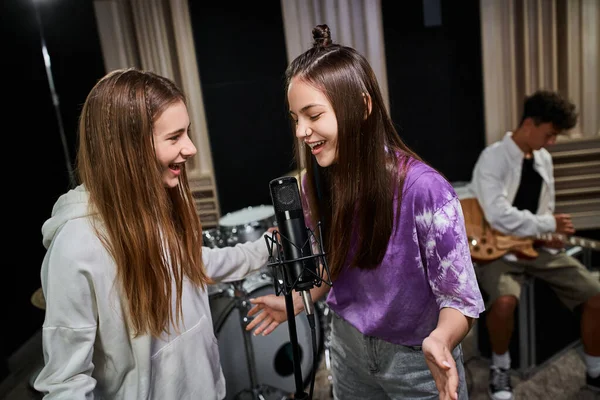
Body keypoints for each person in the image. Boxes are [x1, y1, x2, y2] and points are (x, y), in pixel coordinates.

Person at [245, 24, 484, 400]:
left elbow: (461, 298)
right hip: (347, 347)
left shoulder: (425, 190)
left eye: (313, 115)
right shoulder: (315, 184)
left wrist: (441, 339)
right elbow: (334, 264)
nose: (301, 132)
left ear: (362, 106)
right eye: (296, 119)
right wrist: (299, 300)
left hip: (414, 359)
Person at [33, 68, 272, 399]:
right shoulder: (75, 245)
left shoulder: (154, 209)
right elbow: (66, 383)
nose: (190, 149)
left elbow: (192, 265)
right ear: (126, 149)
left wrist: (266, 248)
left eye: (186, 133)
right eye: (174, 138)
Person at [468, 90, 600, 399]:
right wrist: (547, 224)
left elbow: (544, 208)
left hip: (534, 247)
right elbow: (498, 215)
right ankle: (500, 369)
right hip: (497, 248)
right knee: (503, 302)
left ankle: (595, 371)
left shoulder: (543, 159)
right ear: (529, 123)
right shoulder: (493, 157)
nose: (552, 142)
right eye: (550, 134)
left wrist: (547, 233)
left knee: (595, 295)